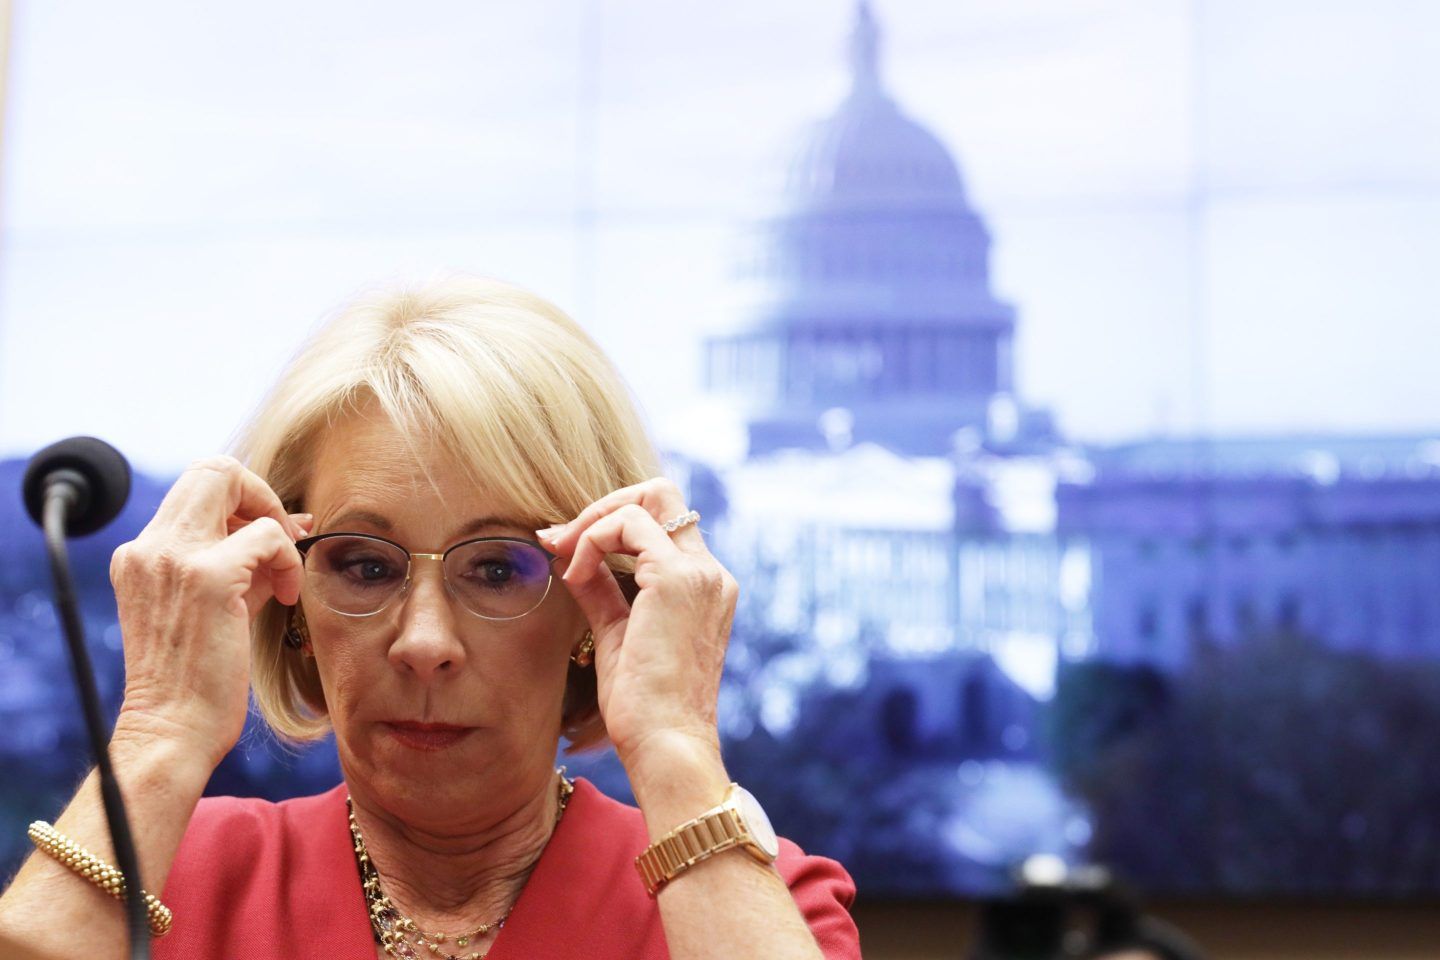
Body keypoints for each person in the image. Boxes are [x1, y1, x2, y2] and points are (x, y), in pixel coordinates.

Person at [0, 277, 861, 960]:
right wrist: (157, 730)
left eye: (495, 568)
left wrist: (675, 743)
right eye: (364, 566)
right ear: (287, 597)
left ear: (595, 605)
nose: (423, 644)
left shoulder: (755, 901)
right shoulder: (163, 875)